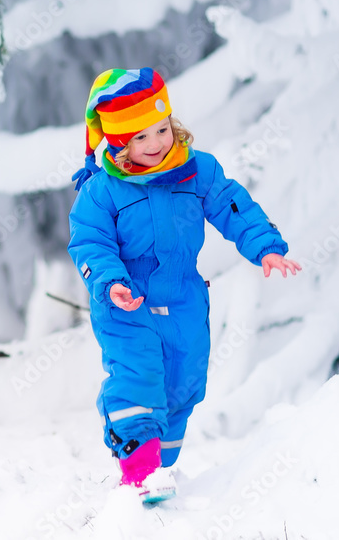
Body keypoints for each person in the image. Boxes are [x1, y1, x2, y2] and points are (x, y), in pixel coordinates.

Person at [68, 67, 301, 498]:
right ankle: (139, 470)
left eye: (160, 129)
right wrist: (110, 281)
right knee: (138, 377)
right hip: (126, 302)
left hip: (183, 301)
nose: (155, 143)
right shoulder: (102, 191)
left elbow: (234, 206)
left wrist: (265, 246)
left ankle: (160, 469)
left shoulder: (198, 171)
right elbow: (90, 242)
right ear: (119, 142)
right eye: (140, 137)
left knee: (183, 385)